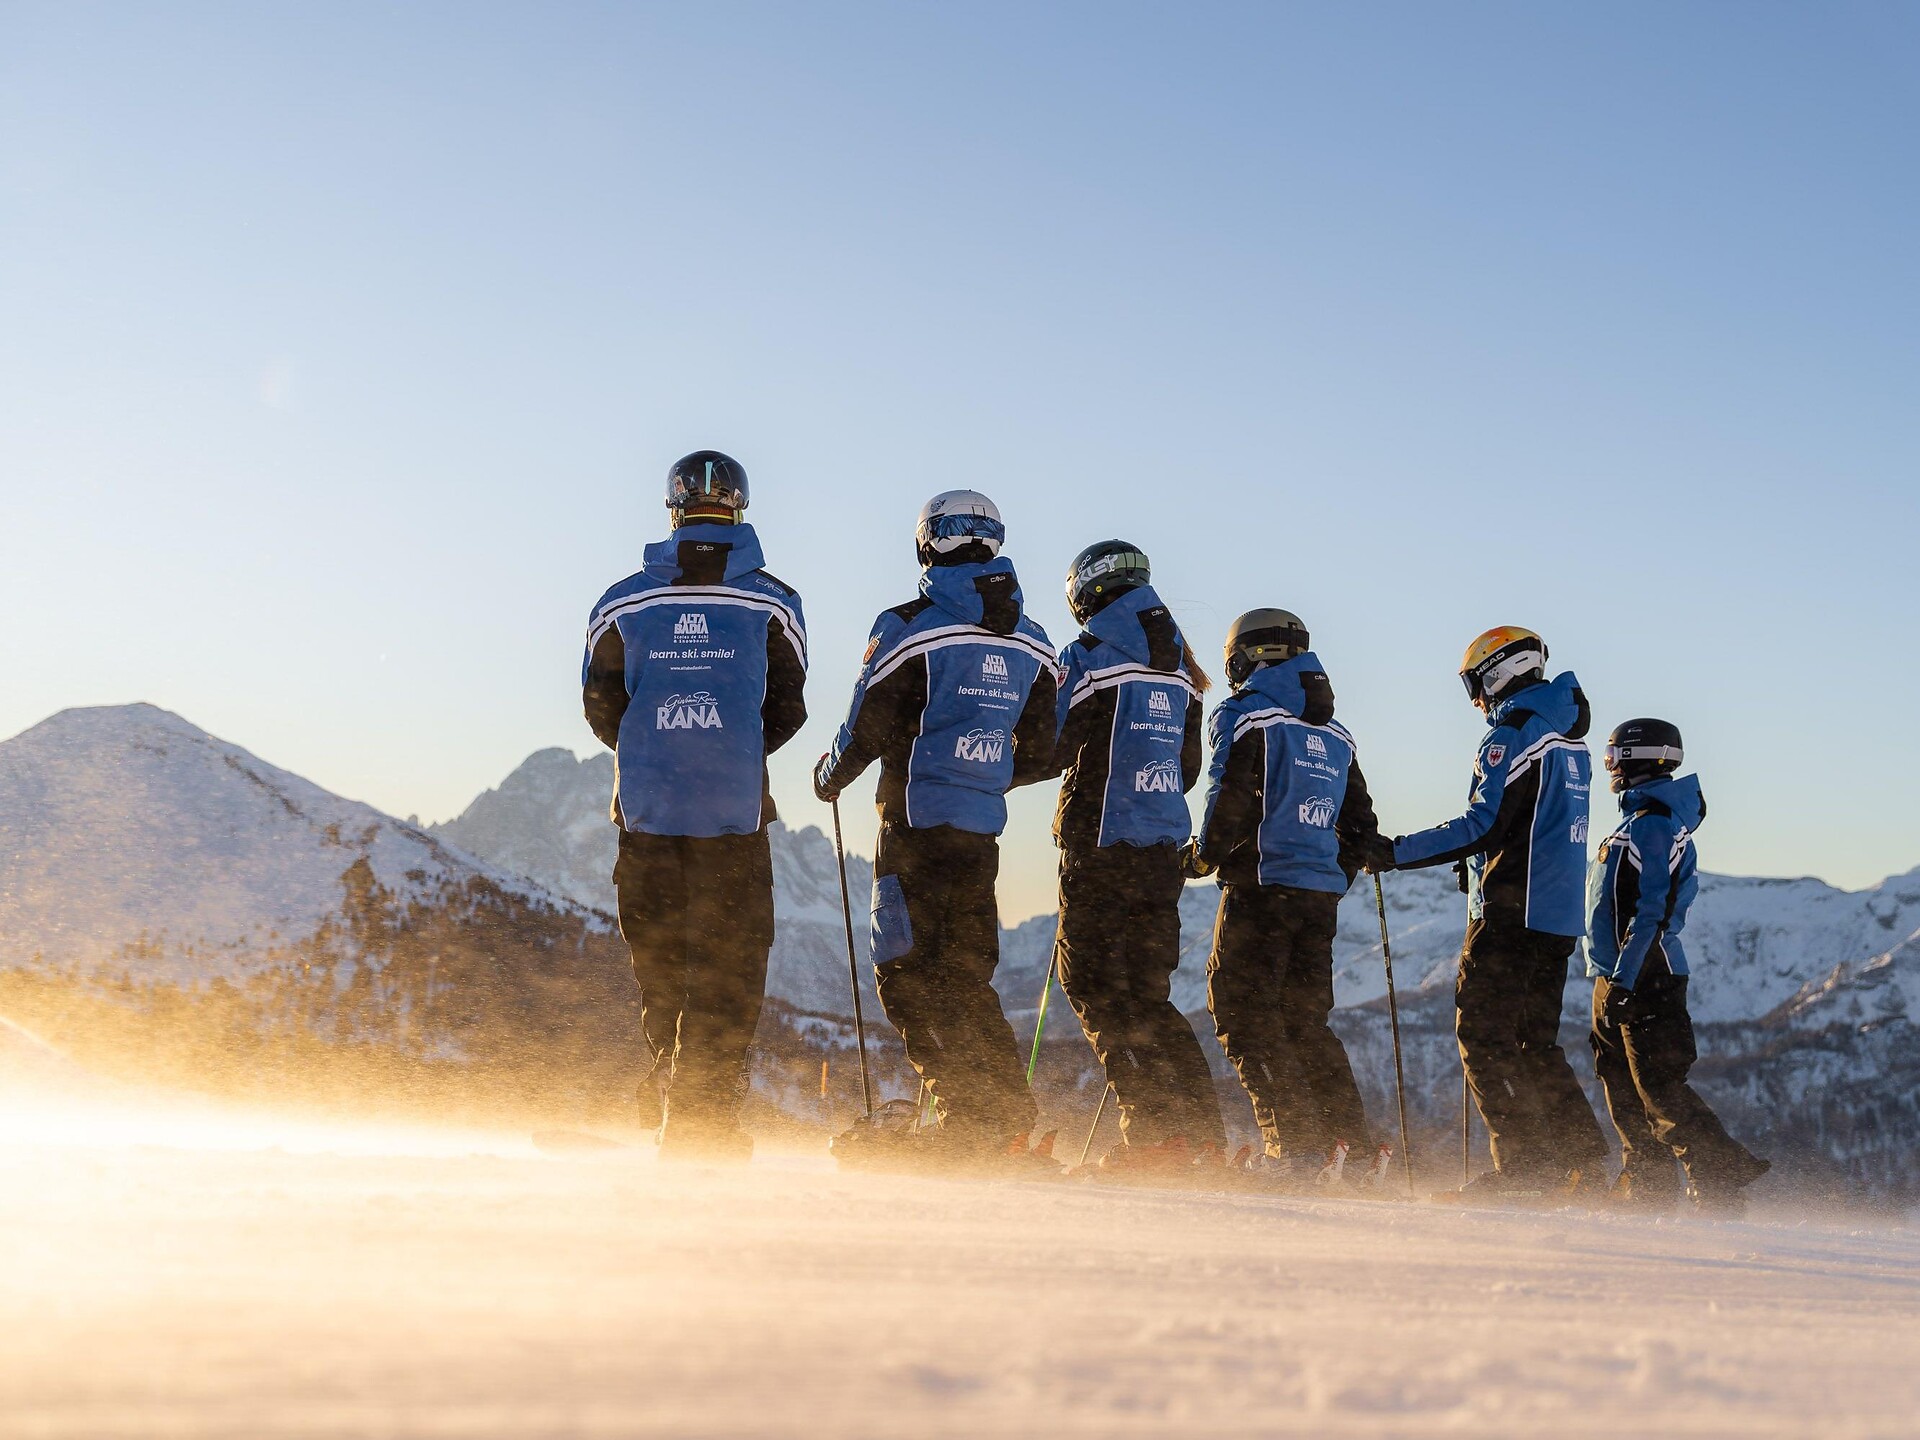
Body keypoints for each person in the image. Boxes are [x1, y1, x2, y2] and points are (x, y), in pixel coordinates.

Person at [813, 491, 1059, 1168]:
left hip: (914, 827)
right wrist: (983, 772)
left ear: (927, 543)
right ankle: (1006, 1116)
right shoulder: (1035, 641)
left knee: (907, 974)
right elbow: (1045, 748)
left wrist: (829, 776)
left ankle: (968, 1126)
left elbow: (865, 724)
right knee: (964, 977)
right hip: (981, 833)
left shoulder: (910, 626)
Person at [581, 450, 806, 1161]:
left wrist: (659, 750)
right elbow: (788, 706)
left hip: (647, 814)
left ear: (672, 507)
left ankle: (672, 1081)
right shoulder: (774, 600)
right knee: (730, 967)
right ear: (739, 507)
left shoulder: (622, 600)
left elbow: (600, 706)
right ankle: (704, 1118)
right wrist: (730, 747)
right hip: (734, 815)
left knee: (662, 963)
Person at [1370, 626, 1609, 1199]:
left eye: (1475, 684)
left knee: (1484, 1034)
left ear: (1498, 672)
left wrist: (1392, 851)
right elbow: (1534, 825)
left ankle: (1525, 1170)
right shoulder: (1566, 738)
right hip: (1555, 916)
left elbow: (1485, 822)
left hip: (1510, 913)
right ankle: (1580, 1165)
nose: (1476, 699)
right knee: (1535, 1042)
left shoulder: (1512, 734)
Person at [1185, 609, 1387, 1186]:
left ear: (1243, 657)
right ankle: (1349, 1151)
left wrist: (1205, 856)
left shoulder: (1246, 716)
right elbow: (1361, 825)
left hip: (1261, 890)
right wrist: (1330, 875)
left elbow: (1228, 795)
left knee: (1244, 1016)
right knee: (1305, 1023)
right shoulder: (1336, 732)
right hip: (1316, 899)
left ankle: (1294, 1151)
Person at [1050, 540, 1224, 1171]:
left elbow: (1052, 742)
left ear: (1086, 592)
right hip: (1161, 852)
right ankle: (1199, 1137)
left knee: (1097, 987)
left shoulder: (1089, 656)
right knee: (1147, 997)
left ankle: (1154, 1137)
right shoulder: (1186, 669)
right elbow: (1184, 770)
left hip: (1100, 846)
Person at [1586, 718, 1769, 1215]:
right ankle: (1646, 1180)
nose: (1609, 767)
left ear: (1637, 758)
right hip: (1616, 974)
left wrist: (1624, 981)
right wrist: (1609, 980)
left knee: (1658, 1085)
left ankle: (1718, 1181)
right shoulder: (1639, 820)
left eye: (1613, 757)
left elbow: (1652, 911)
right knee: (1621, 1080)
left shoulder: (1653, 824)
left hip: (1646, 974)